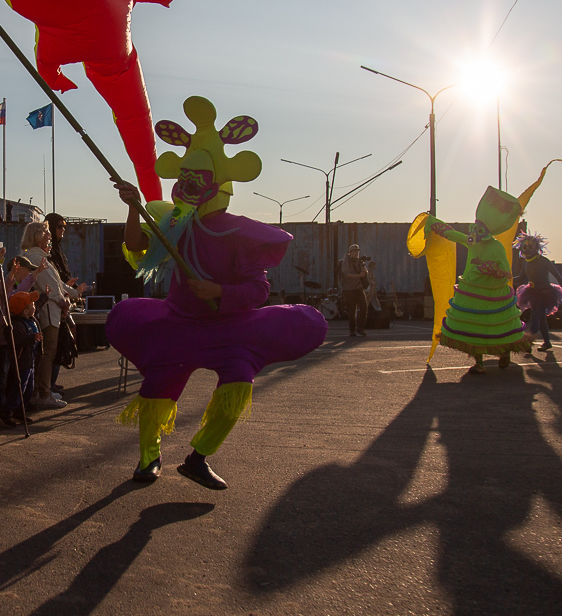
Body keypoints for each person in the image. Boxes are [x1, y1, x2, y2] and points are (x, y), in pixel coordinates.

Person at [105, 96, 327, 490]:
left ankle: (198, 458)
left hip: (230, 328)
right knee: (157, 388)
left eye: (198, 176)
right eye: (184, 174)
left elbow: (259, 287)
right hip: (178, 324)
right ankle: (148, 458)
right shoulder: (173, 220)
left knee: (239, 383)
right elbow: (137, 245)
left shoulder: (237, 230)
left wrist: (219, 291)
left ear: (220, 181)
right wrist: (134, 207)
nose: (188, 183)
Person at [423, 187, 533, 374]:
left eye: (479, 229)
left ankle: (504, 352)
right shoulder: (472, 241)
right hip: (473, 293)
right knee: (474, 328)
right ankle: (479, 363)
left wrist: (485, 267)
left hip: (493, 295)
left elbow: (505, 272)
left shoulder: (497, 247)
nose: (475, 232)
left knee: (495, 327)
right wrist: (433, 223)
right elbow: (454, 235)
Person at [20, 222, 82, 409]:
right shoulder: (35, 257)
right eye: (45, 232)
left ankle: (41, 390)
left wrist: (73, 293)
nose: (49, 236)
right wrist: (67, 299)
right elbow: (53, 288)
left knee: (46, 353)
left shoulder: (41, 257)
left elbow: (58, 285)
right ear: (36, 235)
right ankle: (43, 392)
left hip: (52, 310)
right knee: (48, 353)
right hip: (49, 312)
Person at [44, 213, 87, 395]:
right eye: (59, 227)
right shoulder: (46, 253)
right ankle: (47, 385)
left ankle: (51, 382)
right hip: (54, 303)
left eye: (64, 227)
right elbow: (54, 278)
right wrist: (70, 289)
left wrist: (73, 287)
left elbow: (62, 275)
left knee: (61, 342)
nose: (62, 230)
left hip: (64, 298)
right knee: (54, 346)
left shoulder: (58, 250)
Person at [513, 233, 562, 352]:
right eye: (525, 247)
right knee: (540, 319)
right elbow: (520, 278)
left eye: (531, 247)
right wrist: (506, 278)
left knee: (535, 316)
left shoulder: (543, 261)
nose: (528, 250)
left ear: (537, 247)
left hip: (545, 293)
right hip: (533, 293)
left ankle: (528, 342)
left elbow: (556, 274)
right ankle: (547, 342)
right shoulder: (526, 262)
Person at [2, 290, 40, 426]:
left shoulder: (30, 320)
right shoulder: (16, 325)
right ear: (24, 311)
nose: (34, 307)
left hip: (30, 360)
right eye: (32, 305)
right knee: (18, 388)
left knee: (28, 388)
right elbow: (16, 340)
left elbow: (38, 306)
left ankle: (20, 410)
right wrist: (31, 338)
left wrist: (45, 297)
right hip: (21, 361)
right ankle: (8, 412)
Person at [338, 244, 368, 337]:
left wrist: (364, 269)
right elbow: (346, 274)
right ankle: (352, 330)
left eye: (358, 252)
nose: (356, 254)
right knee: (352, 310)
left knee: (364, 306)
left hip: (358, 287)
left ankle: (360, 327)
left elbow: (364, 272)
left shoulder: (359, 261)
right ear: (350, 253)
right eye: (355, 252)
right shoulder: (346, 262)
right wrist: (359, 275)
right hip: (349, 289)